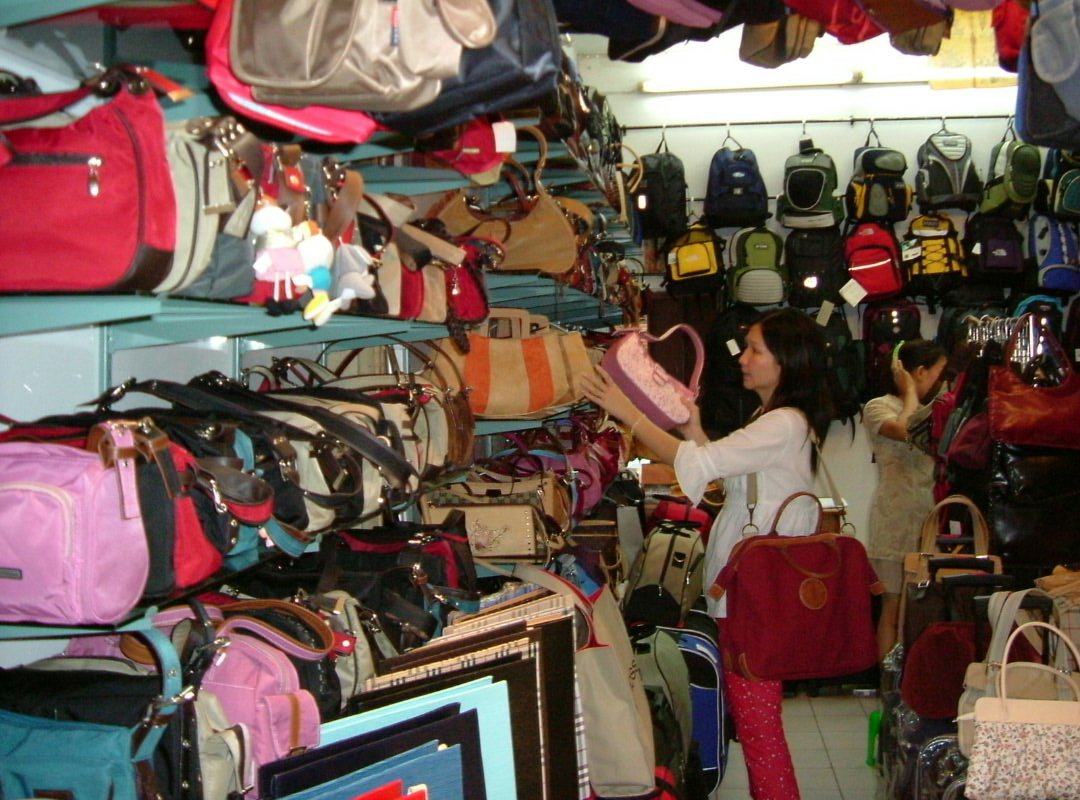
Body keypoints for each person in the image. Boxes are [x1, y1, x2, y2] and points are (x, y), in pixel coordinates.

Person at [580, 307, 833, 800]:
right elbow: (724, 474)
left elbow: (698, 464)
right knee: (757, 723)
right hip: (751, 594)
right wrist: (693, 427)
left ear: (786, 360)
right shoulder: (774, 420)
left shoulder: (782, 423)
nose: (743, 359)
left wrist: (628, 411)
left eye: (756, 349)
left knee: (759, 728)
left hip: (754, 598)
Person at [862, 338, 948, 659]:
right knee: (894, 606)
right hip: (894, 519)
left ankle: (919, 677)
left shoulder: (940, 409)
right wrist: (910, 391)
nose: (943, 381)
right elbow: (905, 430)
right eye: (939, 373)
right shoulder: (878, 407)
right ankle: (889, 680)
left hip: (930, 518)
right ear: (919, 372)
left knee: (927, 607)